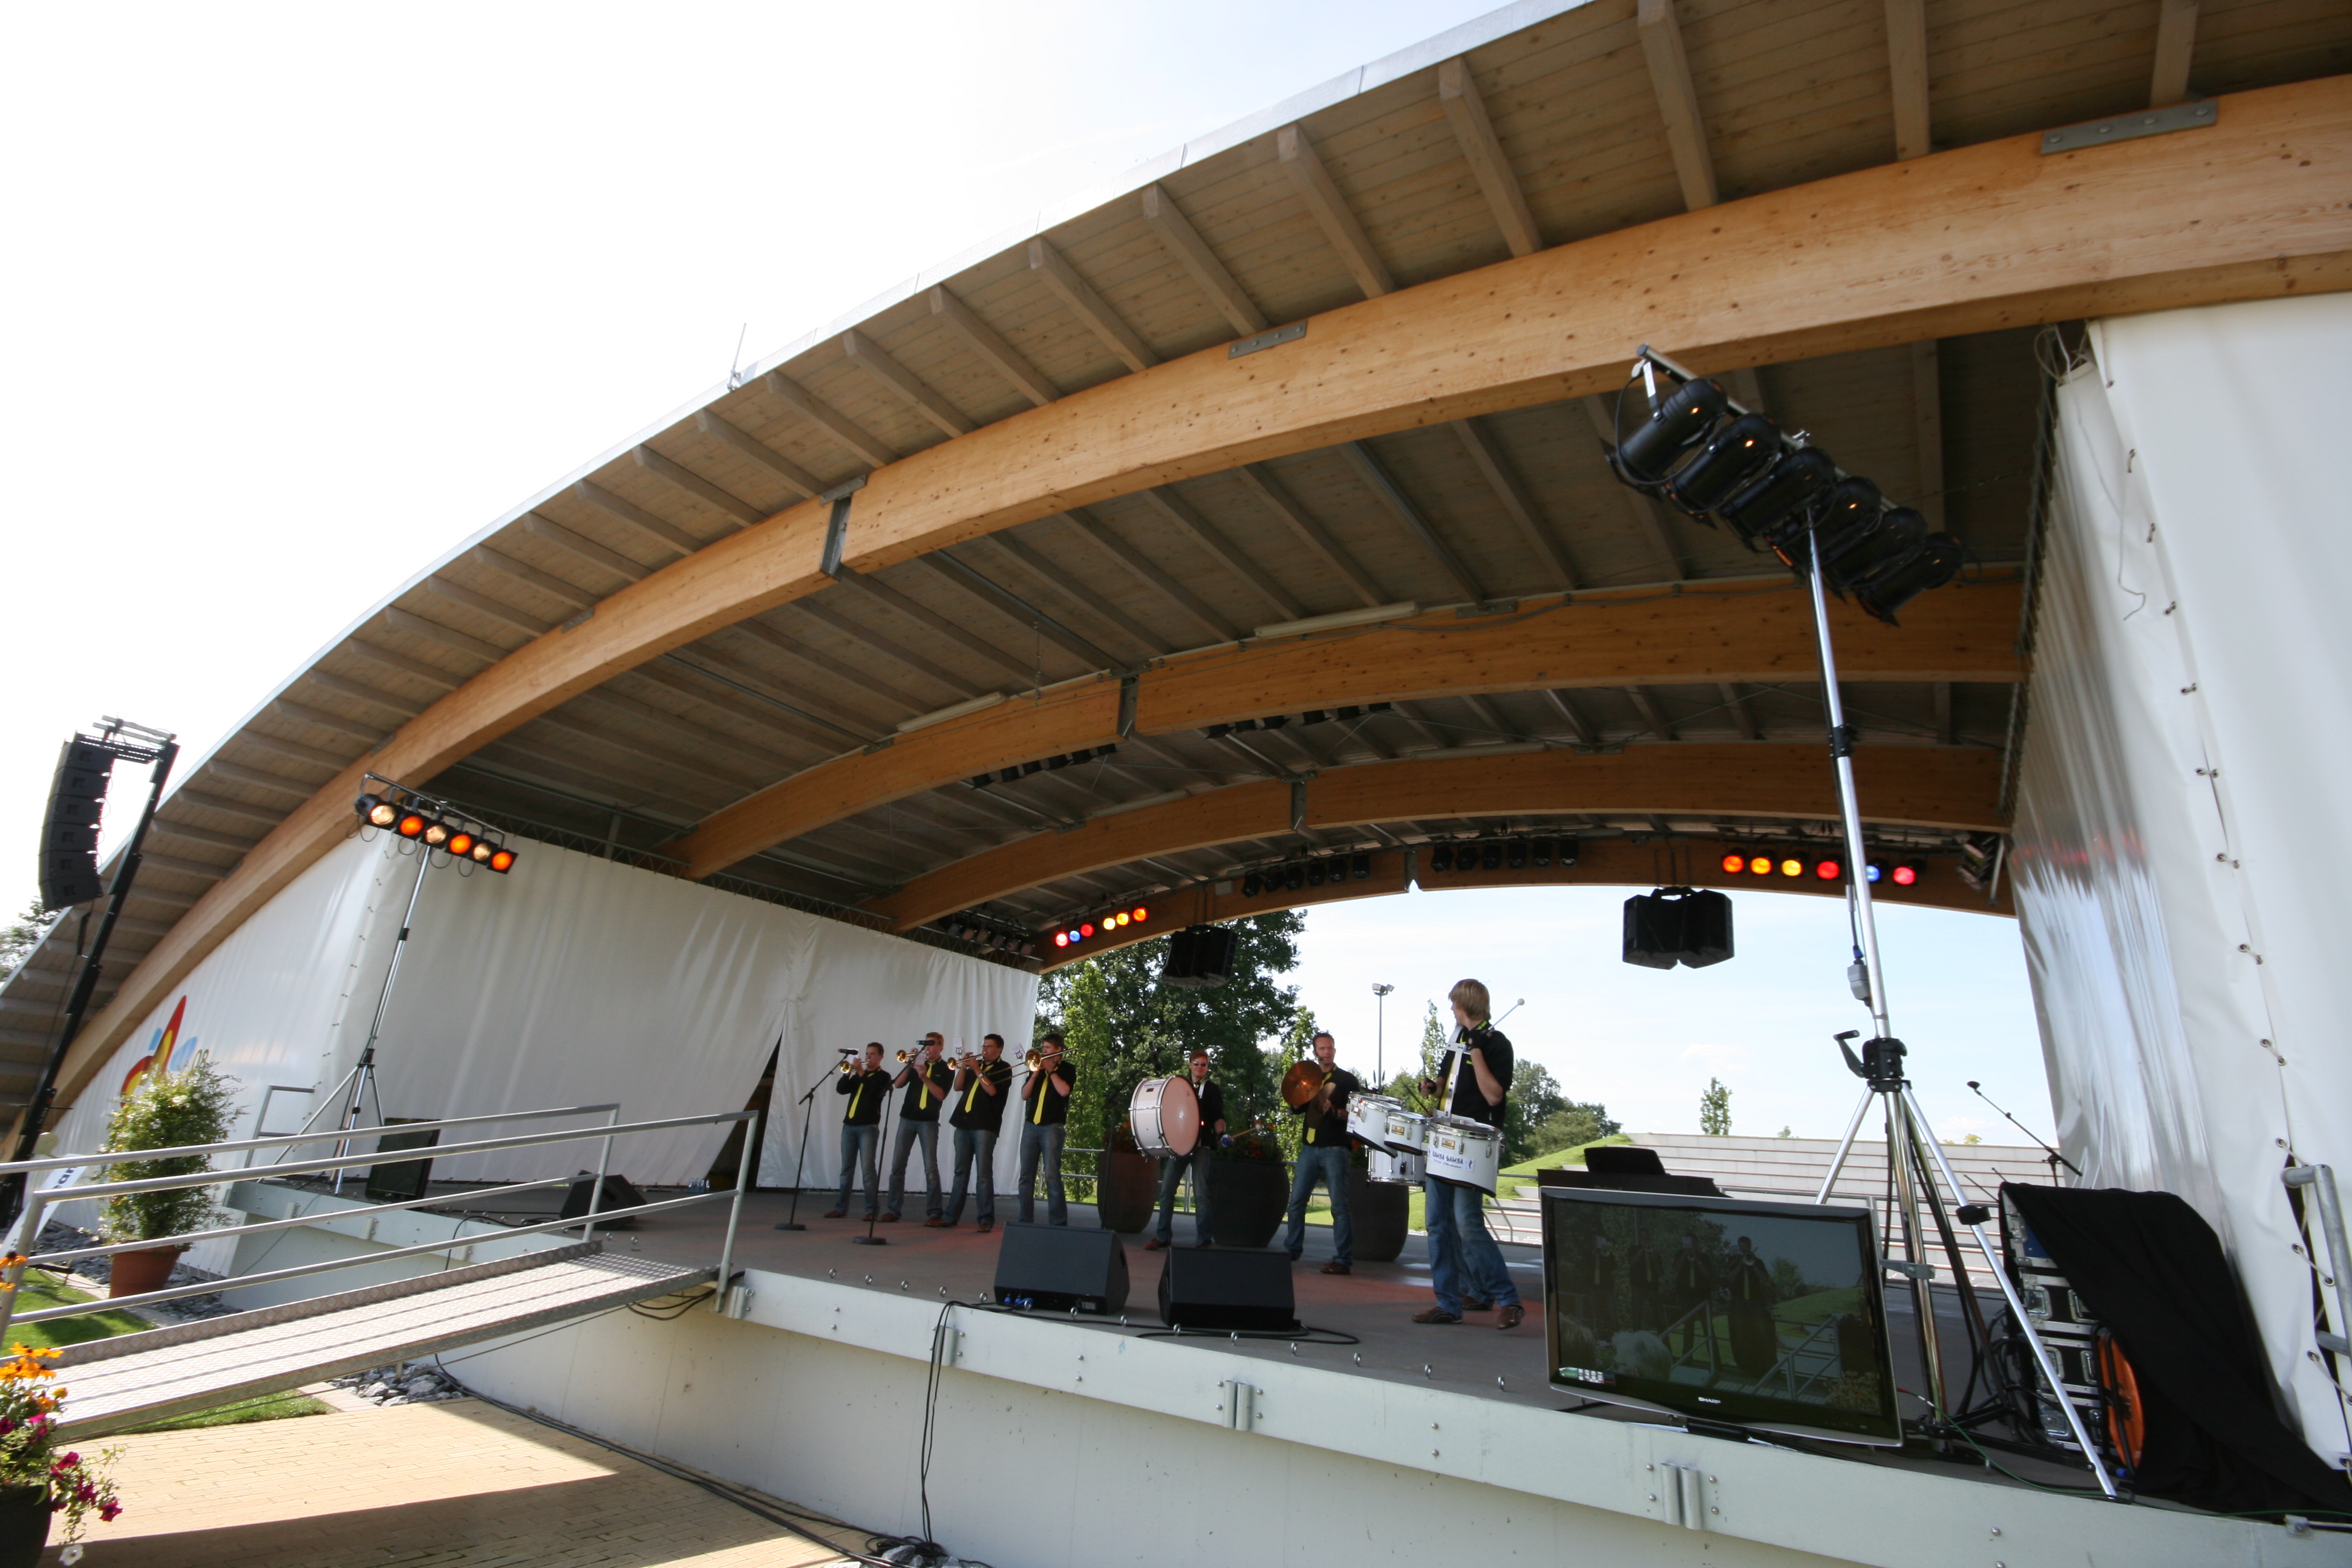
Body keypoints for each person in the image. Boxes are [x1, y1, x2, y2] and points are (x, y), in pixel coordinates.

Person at [1411, 979, 1525, 1329]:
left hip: (1474, 1146)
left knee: (1467, 1222)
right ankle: (1448, 1302)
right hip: (1444, 1139)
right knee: (1437, 1224)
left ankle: (1509, 1300)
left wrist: (1476, 1052)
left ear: (1466, 1005)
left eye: (1454, 1004)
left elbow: (1493, 1096)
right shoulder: (1456, 1040)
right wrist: (1433, 1088)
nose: (1451, 1009)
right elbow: (1446, 1088)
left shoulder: (1496, 1044)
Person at [1281, 1031, 1358, 1275]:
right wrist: (1294, 1094)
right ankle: (1292, 1250)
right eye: (1323, 1049)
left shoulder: (1347, 1080)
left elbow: (1355, 1116)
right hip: (1310, 1147)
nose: (1327, 1052)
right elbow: (1297, 1107)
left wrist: (1334, 1111)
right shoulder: (1309, 1078)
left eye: (1330, 1048)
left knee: (1339, 1207)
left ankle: (1343, 1259)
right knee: (1296, 1203)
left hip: (1335, 1148)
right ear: (1315, 1052)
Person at [1146, 1047, 1226, 1252]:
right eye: (1197, 1064)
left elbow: (1218, 1117)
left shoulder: (1212, 1089)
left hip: (1201, 1145)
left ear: (1207, 1067)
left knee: (1201, 1195)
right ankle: (1163, 1236)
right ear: (1190, 1065)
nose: (1200, 1067)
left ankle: (1204, 1240)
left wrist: (1222, 1134)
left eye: (1204, 1064)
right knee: (1166, 1192)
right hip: (1179, 1145)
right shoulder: (1180, 1086)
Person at [942, 1034, 1011, 1232]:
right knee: (960, 1172)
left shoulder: (1004, 1068)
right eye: (984, 1046)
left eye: (989, 1046)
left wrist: (976, 1069)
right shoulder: (976, 1066)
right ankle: (951, 1217)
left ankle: (985, 1219)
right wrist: (963, 1067)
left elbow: (992, 1091)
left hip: (985, 1125)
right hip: (964, 1123)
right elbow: (958, 1087)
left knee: (983, 1174)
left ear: (999, 1049)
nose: (985, 1049)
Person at [883, 1034, 952, 1224]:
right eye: (926, 1045)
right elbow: (898, 1084)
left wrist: (924, 1077)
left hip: (928, 1121)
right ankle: (893, 1210)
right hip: (908, 1118)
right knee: (897, 1166)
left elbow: (941, 1095)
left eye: (931, 1045)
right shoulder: (918, 1062)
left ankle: (934, 1213)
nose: (928, 1049)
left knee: (930, 1168)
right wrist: (910, 1065)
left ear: (941, 1047)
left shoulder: (946, 1068)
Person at [823, 1044, 891, 1220]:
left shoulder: (884, 1076)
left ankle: (871, 1210)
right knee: (846, 1170)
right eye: (867, 1054)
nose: (869, 1057)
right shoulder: (859, 1075)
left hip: (868, 1127)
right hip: (849, 1126)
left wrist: (861, 1072)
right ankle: (841, 1208)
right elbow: (841, 1090)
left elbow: (873, 1092)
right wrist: (847, 1073)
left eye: (873, 1054)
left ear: (881, 1057)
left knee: (868, 1171)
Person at [1016, 1033, 1076, 1226]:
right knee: (1026, 1176)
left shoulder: (1067, 1069)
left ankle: (1058, 1222)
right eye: (1043, 1047)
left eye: (1047, 1048)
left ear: (1058, 1050)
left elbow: (1064, 1091)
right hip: (1031, 1126)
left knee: (1052, 1175)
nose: (1043, 1051)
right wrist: (1035, 1073)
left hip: (1052, 1127)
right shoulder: (1038, 1068)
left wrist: (1051, 1070)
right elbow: (1024, 1095)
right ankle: (1025, 1219)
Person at [1726, 1234, 1779, 1379]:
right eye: (1742, 1247)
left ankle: (1768, 1367)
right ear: (1739, 1247)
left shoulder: (1758, 1262)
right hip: (1739, 1301)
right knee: (1741, 1334)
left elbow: (1765, 1280)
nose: (1744, 1249)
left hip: (1756, 1301)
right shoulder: (1733, 1261)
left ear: (1750, 1247)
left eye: (1746, 1247)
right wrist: (1740, 1263)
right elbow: (1730, 1278)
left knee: (1762, 1333)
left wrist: (1753, 1264)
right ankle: (1745, 1367)